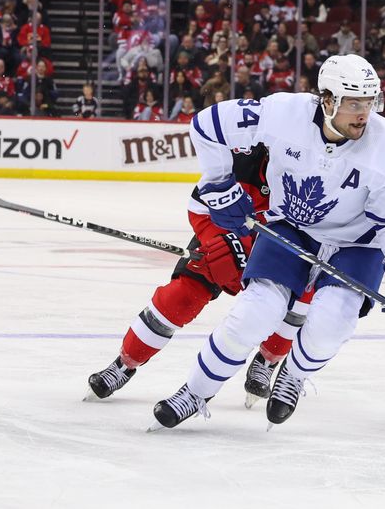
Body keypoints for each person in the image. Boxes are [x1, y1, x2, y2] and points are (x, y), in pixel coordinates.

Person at [149, 54, 385, 430]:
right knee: (253, 313)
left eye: (370, 103)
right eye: (354, 103)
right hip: (290, 226)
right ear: (327, 100)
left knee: (332, 322)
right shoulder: (283, 113)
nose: (364, 114)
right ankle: (196, 392)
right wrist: (217, 183)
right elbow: (206, 125)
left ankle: (292, 375)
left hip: (357, 243)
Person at [85, 126, 312, 404]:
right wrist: (218, 244)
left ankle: (267, 361)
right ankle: (125, 363)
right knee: (181, 295)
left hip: (282, 251)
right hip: (226, 235)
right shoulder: (240, 159)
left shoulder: (313, 173)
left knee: (301, 300)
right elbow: (202, 204)